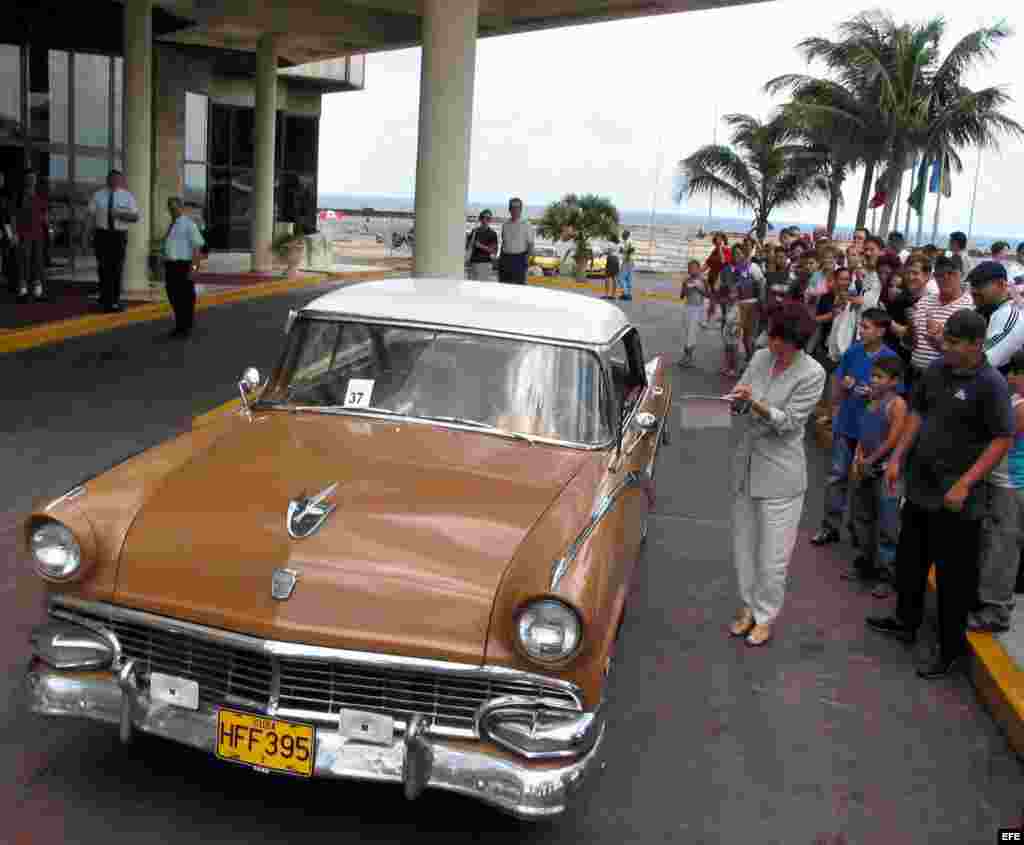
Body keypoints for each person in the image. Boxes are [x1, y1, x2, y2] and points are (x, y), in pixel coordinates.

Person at [867, 309, 1013, 679]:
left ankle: (949, 650)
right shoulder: (936, 370)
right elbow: (917, 414)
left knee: (953, 578)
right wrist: (897, 457)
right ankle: (906, 621)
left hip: (958, 499)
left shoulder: (991, 384)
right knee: (910, 560)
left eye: (953, 342)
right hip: (921, 486)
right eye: (945, 339)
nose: (945, 346)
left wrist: (966, 483)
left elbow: (1001, 439)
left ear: (976, 344)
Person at [725, 304, 826, 646]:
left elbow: (790, 423)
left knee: (773, 557)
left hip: (782, 474)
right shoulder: (760, 358)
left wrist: (755, 404)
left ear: (797, 341)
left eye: (780, 338)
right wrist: (737, 402)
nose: (772, 343)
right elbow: (741, 393)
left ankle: (765, 616)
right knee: (744, 547)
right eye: (771, 335)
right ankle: (747, 607)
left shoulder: (813, 373)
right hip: (746, 465)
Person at [812, 308, 899, 546]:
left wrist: (871, 392)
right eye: (861, 326)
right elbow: (838, 381)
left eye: (866, 327)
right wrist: (834, 408)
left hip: (872, 431)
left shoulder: (890, 359)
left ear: (881, 331)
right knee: (837, 475)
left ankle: (859, 532)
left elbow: (896, 397)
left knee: (863, 482)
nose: (860, 331)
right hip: (847, 422)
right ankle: (830, 526)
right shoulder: (852, 352)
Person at [969, 348, 1024, 633]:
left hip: (1012, 485)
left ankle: (996, 610)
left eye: (1017, 373)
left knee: (1002, 547)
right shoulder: (1015, 399)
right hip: (998, 481)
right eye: (1012, 372)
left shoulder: (1022, 407)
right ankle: (989, 599)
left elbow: (1000, 437)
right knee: (991, 543)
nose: (1011, 378)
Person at [846, 355, 908, 596]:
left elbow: (893, 440)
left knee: (888, 524)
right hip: (865, 467)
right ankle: (865, 564)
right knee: (862, 517)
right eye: (873, 375)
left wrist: (871, 460)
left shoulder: (897, 405)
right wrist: (858, 458)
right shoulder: (872, 400)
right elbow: (864, 433)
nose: (873, 380)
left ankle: (887, 575)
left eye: (879, 377)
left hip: (885, 471)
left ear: (894, 381)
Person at [907, 255, 974, 384]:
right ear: (934, 277)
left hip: (945, 379)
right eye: (940, 274)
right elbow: (911, 344)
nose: (945, 278)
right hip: (915, 375)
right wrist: (910, 326)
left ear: (961, 275)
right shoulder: (924, 302)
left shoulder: (970, 307)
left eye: (951, 273)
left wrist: (942, 339)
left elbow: (969, 354)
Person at [88, 169, 140, 312]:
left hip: (119, 235)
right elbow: (90, 215)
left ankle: (115, 300)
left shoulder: (127, 196)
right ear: (107, 179)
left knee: (117, 267)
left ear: (121, 181)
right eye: (112, 179)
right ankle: (105, 297)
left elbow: (135, 217)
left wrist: (120, 214)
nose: (114, 181)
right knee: (103, 267)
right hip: (102, 234)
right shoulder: (98, 195)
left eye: (117, 179)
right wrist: (86, 235)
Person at [968, 260, 1024, 375]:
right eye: (972, 285)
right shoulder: (981, 311)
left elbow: (985, 360)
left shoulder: (1009, 314)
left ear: (1001, 285)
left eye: (979, 285)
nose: (973, 290)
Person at [161, 197, 205, 338]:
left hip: (183, 265)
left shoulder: (189, 224)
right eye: (170, 208)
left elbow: (197, 249)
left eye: (175, 208)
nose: (172, 211)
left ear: (181, 207)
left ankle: (185, 327)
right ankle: (180, 325)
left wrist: (194, 269)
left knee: (185, 298)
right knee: (173, 296)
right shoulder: (172, 225)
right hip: (171, 266)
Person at [13, 170, 49, 303]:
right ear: (25, 180)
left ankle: (38, 292)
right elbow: (13, 216)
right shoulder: (19, 197)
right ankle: (23, 292)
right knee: (24, 262)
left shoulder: (40, 196)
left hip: (38, 235)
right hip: (23, 235)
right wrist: (14, 234)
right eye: (29, 178)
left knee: (38, 262)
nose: (31, 180)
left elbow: (44, 215)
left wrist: (49, 228)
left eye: (33, 178)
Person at [730, 244, 765, 362]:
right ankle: (749, 359)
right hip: (739, 305)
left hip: (752, 304)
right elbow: (733, 288)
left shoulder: (753, 267)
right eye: (734, 254)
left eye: (739, 253)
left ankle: (752, 360)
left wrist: (760, 301)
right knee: (743, 336)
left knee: (750, 336)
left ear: (744, 254)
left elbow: (761, 283)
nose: (736, 256)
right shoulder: (734, 269)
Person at [497, 197, 533, 284]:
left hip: (519, 260)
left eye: (517, 207)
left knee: (518, 287)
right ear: (509, 209)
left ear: (521, 209)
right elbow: (504, 243)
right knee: (503, 285)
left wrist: (526, 261)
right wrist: (500, 260)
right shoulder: (505, 225)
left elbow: (530, 245)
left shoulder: (526, 224)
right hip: (505, 259)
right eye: (512, 207)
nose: (515, 210)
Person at [678, 259, 706, 366]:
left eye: (694, 268)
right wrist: (686, 288)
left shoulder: (703, 280)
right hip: (687, 308)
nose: (691, 270)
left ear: (698, 269)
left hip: (697, 309)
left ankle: (688, 356)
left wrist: (698, 288)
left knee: (691, 334)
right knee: (687, 333)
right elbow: (682, 296)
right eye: (689, 268)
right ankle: (687, 356)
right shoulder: (686, 280)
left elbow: (707, 294)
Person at [702, 233, 731, 326]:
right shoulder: (714, 251)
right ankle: (708, 319)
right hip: (712, 279)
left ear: (723, 240)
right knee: (712, 301)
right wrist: (698, 272)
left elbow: (723, 261)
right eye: (716, 240)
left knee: (722, 303)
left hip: (722, 280)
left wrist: (719, 248)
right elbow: (708, 263)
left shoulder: (727, 250)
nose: (717, 242)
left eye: (719, 240)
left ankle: (724, 319)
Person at [465, 209, 498, 281]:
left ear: (490, 220)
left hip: (485, 264)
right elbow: (468, 246)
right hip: (473, 263)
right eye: (483, 217)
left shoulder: (492, 233)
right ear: (480, 218)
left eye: (488, 218)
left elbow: (493, 251)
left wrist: (480, 246)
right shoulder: (474, 231)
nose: (485, 220)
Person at [720, 282, 742, 378]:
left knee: (734, 350)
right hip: (727, 328)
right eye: (730, 293)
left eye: (734, 293)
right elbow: (727, 317)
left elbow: (740, 319)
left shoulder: (739, 305)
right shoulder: (728, 304)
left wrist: (737, 327)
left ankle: (736, 369)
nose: (731, 295)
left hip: (735, 328)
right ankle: (727, 367)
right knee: (727, 348)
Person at [619, 229, 636, 302]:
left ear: (626, 235)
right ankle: (628, 294)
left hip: (627, 260)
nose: (622, 236)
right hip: (629, 261)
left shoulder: (629, 241)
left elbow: (632, 249)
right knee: (628, 278)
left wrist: (625, 253)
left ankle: (625, 294)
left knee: (621, 278)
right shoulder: (626, 242)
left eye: (623, 234)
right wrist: (623, 251)